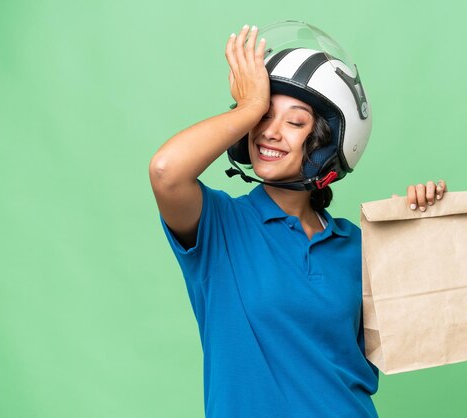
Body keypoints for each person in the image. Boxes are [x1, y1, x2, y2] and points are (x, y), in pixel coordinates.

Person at [149, 22, 447, 418]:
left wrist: (421, 232)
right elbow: (166, 171)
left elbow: (421, 334)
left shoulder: (360, 245)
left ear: (324, 144)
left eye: (294, 122)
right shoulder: (219, 225)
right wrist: (249, 106)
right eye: (264, 118)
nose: (270, 133)